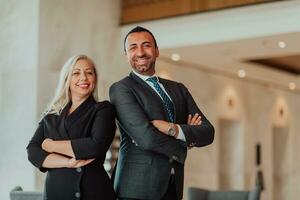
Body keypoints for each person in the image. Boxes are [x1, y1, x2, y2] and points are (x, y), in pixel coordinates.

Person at [109, 26, 215, 200]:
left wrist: (173, 129)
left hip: (173, 186)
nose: (140, 52)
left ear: (157, 51)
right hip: (137, 189)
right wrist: (185, 138)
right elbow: (146, 138)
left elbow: (208, 132)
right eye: (133, 47)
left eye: (146, 45)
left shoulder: (178, 89)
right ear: (126, 55)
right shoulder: (122, 89)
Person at [27, 55, 116, 200]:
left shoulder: (103, 109)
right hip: (56, 192)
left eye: (89, 72)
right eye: (76, 73)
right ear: (67, 78)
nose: (84, 78)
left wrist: (50, 145)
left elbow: (95, 146)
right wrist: (67, 162)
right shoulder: (52, 114)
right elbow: (32, 151)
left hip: (92, 191)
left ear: (95, 78)